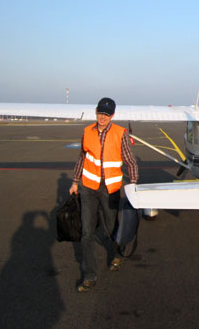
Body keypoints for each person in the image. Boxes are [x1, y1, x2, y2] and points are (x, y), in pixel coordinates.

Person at [69, 97, 139, 292]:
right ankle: (89, 275)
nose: (103, 117)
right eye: (100, 113)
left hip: (110, 189)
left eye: (107, 115)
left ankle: (118, 254)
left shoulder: (120, 133)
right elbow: (82, 158)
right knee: (86, 232)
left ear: (112, 116)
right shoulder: (87, 132)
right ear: (95, 112)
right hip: (88, 187)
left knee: (111, 228)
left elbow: (131, 162)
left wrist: (133, 184)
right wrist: (75, 182)